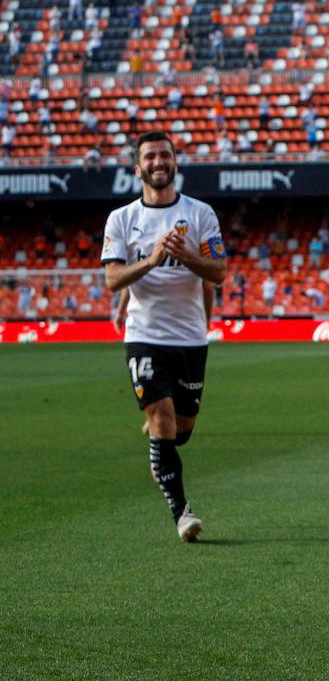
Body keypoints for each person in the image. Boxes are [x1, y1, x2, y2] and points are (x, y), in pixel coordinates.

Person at [101, 131, 227, 542]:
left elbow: (219, 271)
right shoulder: (121, 219)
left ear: (175, 163)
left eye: (165, 155)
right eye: (150, 156)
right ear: (138, 168)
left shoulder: (201, 214)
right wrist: (153, 259)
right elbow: (113, 279)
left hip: (190, 337)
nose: (158, 162)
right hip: (145, 334)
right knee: (163, 420)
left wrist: (185, 254)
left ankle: (159, 434)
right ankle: (182, 514)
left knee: (181, 430)